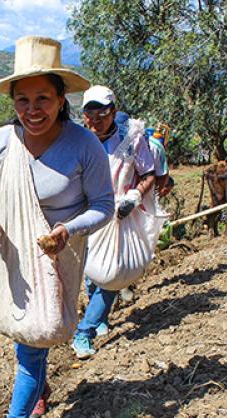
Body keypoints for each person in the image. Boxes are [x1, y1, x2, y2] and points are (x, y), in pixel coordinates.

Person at [0, 36, 115, 418]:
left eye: (43, 99)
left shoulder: (83, 146)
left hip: (57, 258)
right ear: (13, 101)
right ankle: (40, 390)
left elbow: (104, 205)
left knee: (34, 342)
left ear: (61, 98)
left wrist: (68, 229)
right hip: (11, 255)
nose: (33, 110)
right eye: (23, 99)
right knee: (23, 336)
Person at [71, 86, 156, 359]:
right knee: (91, 271)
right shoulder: (79, 140)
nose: (95, 119)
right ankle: (101, 316)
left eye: (102, 113)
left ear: (114, 112)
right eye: (89, 113)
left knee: (112, 274)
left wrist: (135, 194)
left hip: (118, 213)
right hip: (86, 214)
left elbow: (149, 173)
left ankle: (84, 332)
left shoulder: (131, 141)